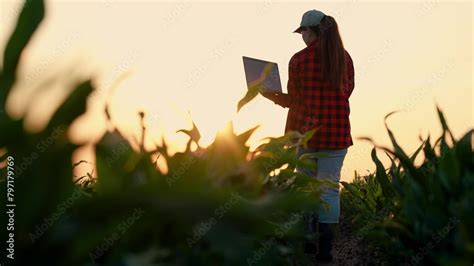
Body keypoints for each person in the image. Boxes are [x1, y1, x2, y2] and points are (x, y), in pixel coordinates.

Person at [261, 9, 355, 263]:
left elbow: (294, 100)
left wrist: (271, 95)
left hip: (306, 136)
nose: (301, 36)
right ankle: (325, 252)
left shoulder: (299, 60)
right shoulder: (344, 58)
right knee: (329, 189)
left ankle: (308, 244)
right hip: (337, 135)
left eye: (302, 31)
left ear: (310, 31)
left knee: (304, 188)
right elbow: (347, 92)